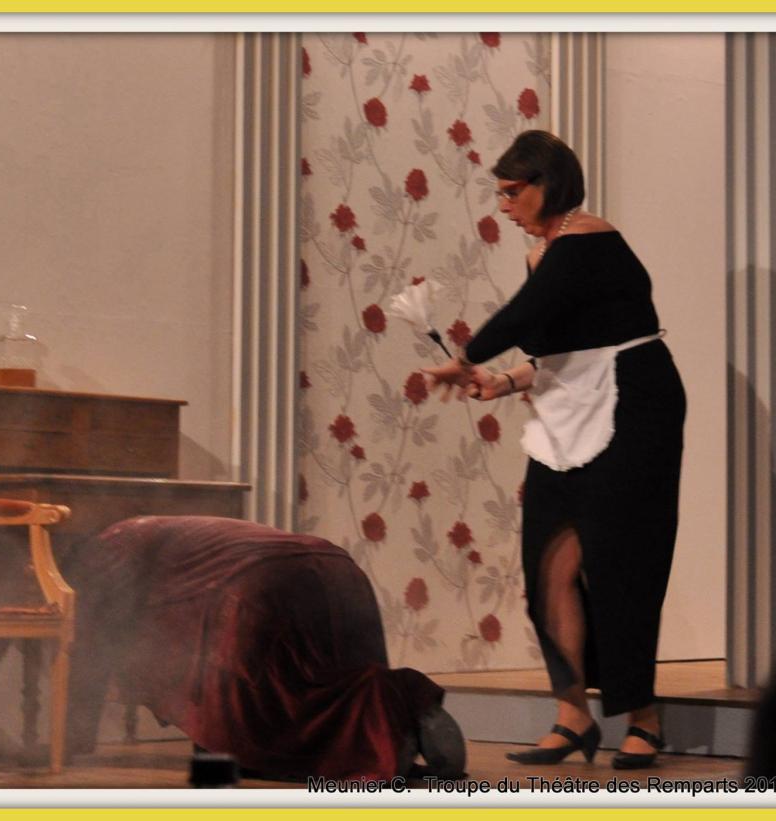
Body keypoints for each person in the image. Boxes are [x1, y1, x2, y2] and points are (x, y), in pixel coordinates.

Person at [421, 130, 686, 769]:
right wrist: (504, 380)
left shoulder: (588, 239)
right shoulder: (544, 252)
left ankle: (644, 718)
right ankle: (572, 716)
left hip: (634, 404)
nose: (504, 205)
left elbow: (524, 316)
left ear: (549, 183)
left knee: (621, 566)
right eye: (500, 193)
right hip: (570, 407)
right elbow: (559, 345)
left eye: (513, 191)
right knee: (549, 567)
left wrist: (468, 357)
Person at [60, 515, 466, 782]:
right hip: (336, 566)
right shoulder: (159, 526)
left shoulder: (107, 547)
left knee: (242, 712)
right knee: (331, 679)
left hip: (258, 580)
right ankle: (404, 707)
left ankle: (373, 744)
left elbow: (92, 638)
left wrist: (70, 740)